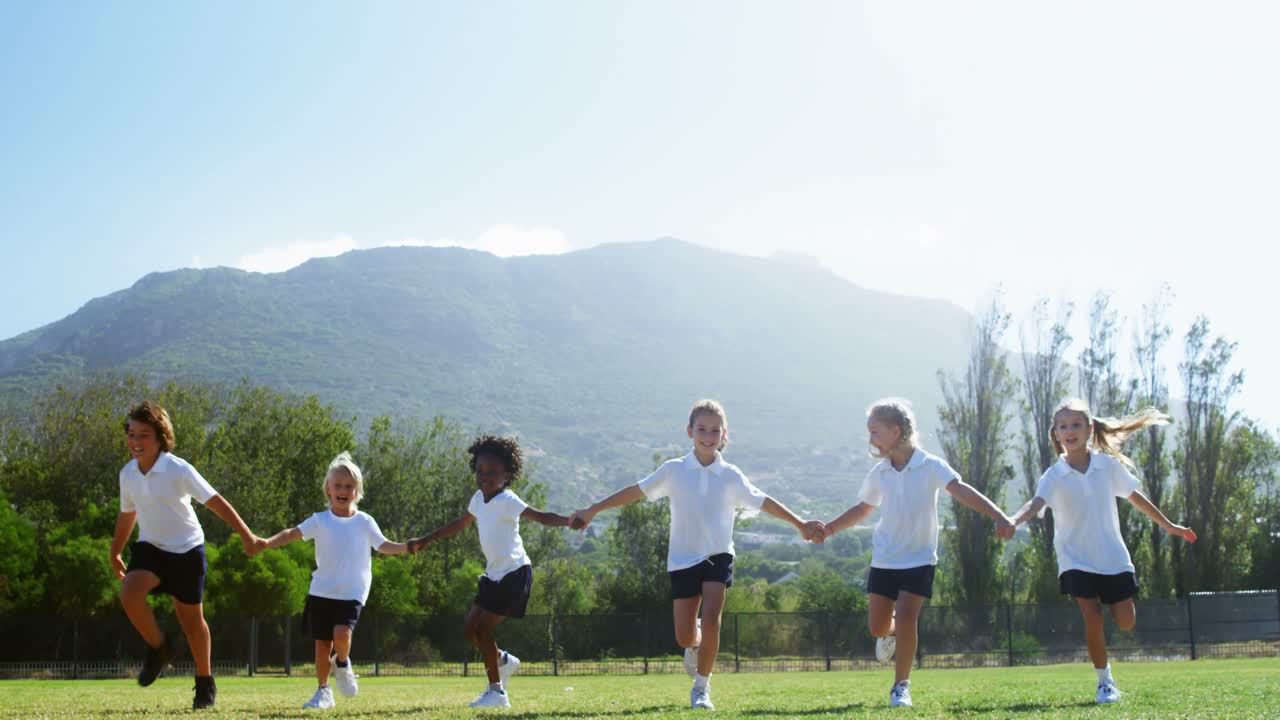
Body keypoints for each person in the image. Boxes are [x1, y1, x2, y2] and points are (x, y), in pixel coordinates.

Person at [569, 399, 824, 711]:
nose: (708, 435)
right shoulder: (674, 470)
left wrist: (799, 524)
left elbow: (763, 500)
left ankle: (701, 688)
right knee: (684, 636)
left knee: (713, 619)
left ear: (724, 434)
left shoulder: (731, 475)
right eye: (702, 429)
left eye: (715, 430)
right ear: (689, 431)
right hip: (682, 560)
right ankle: (695, 645)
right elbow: (635, 491)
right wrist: (593, 510)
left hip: (718, 557)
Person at [820, 398, 1014, 708]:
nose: (870, 439)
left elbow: (962, 490)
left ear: (895, 432)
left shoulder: (930, 465)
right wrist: (829, 529)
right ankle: (890, 633)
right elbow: (862, 508)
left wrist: (998, 516)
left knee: (909, 616)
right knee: (878, 627)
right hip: (885, 559)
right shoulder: (880, 472)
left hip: (920, 559)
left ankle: (901, 687)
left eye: (874, 431)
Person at [1009, 398, 1196, 704]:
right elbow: (1036, 504)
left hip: (1112, 557)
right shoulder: (1053, 476)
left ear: (1089, 429)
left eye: (1076, 425)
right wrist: (1013, 520)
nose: (1069, 431)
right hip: (1075, 559)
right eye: (1063, 426)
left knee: (1125, 621)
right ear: (1055, 434)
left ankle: (1113, 628)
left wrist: (1170, 526)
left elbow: (1137, 498)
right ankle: (1104, 682)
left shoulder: (1108, 467)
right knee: (1092, 616)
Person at [109, 401, 260, 710]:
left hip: (187, 550)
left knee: (191, 621)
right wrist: (115, 551)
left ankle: (205, 683)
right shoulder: (128, 474)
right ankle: (160, 648)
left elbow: (215, 501)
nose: (136, 442)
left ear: (161, 437)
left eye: (144, 435)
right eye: (131, 434)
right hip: (150, 549)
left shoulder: (177, 469)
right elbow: (128, 514)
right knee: (130, 593)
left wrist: (247, 535)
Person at [408, 435, 571, 709]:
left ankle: (497, 693)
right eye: (480, 470)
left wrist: (568, 521)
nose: (485, 476)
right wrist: (426, 539)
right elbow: (459, 524)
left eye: (493, 471)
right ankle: (504, 661)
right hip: (493, 575)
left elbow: (540, 516)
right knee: (470, 629)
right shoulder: (478, 499)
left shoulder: (507, 499)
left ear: (507, 475)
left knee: (483, 630)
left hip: (515, 573)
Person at [254, 452, 409, 710]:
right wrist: (268, 542)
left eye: (349, 487)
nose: (343, 490)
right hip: (322, 591)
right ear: (328, 489)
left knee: (342, 633)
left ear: (357, 491)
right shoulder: (319, 520)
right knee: (322, 644)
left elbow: (383, 545)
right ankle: (323, 692)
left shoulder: (364, 522)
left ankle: (343, 662)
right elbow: (292, 533)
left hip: (352, 593)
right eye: (338, 485)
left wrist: (407, 547)